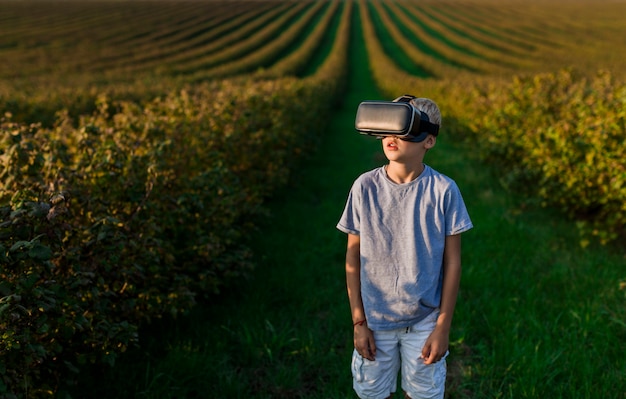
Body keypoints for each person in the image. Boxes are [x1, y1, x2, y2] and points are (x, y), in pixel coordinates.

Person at [336, 95, 473, 399]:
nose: (393, 138)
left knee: (422, 394)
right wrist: (358, 321)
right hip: (374, 320)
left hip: (424, 319)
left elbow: (453, 263)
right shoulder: (364, 187)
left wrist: (443, 326)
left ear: (429, 141)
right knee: (373, 393)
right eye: (389, 128)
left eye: (406, 130)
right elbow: (352, 258)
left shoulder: (443, 191)